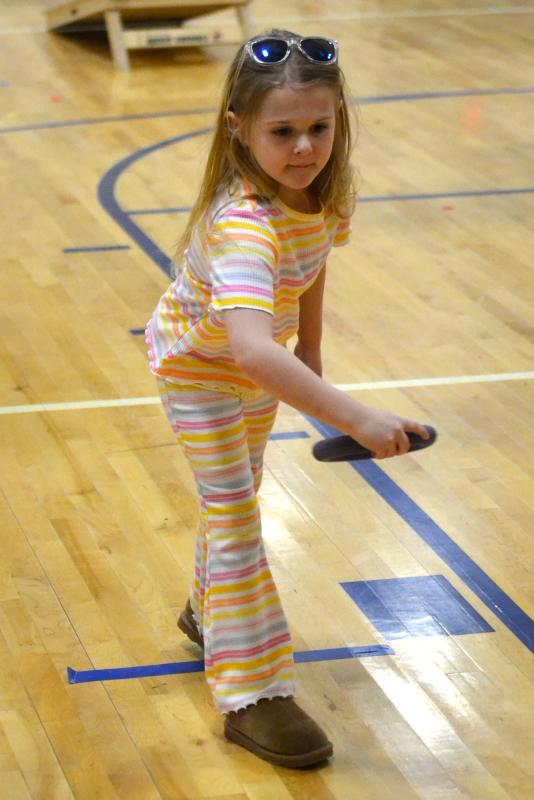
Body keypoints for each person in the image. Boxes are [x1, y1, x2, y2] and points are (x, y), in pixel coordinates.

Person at [145, 30, 428, 768]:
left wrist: (313, 348)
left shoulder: (322, 192)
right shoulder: (242, 224)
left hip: (259, 369)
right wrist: (353, 414)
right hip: (199, 372)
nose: (304, 148)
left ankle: (207, 613)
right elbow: (247, 349)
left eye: (318, 127)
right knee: (237, 516)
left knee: (237, 496)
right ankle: (254, 693)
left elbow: (314, 257)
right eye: (282, 132)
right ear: (238, 129)